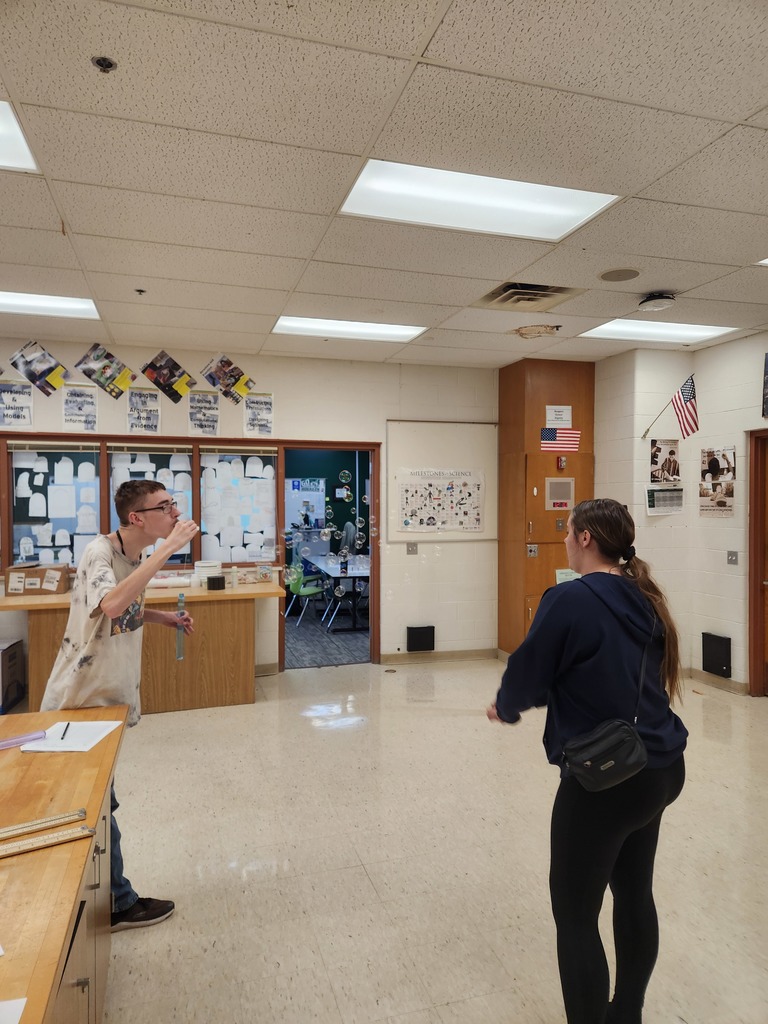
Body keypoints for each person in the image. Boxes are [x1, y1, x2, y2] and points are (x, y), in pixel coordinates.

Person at [487, 498, 687, 1024]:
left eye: (568, 532)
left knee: (575, 916)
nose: (565, 542)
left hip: (607, 780)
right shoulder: (644, 596)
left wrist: (505, 706)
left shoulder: (569, 599)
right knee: (634, 890)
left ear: (584, 540)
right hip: (661, 767)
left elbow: (530, 668)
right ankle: (628, 1013)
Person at [41, 481, 199, 932]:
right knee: (95, 809)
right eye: (164, 506)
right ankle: (117, 903)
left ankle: (106, 899)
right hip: (82, 700)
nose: (174, 511)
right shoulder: (99, 553)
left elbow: (123, 608)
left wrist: (160, 616)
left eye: (173, 504)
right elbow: (110, 603)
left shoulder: (128, 557)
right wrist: (168, 548)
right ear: (137, 518)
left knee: (98, 807)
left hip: (105, 700)